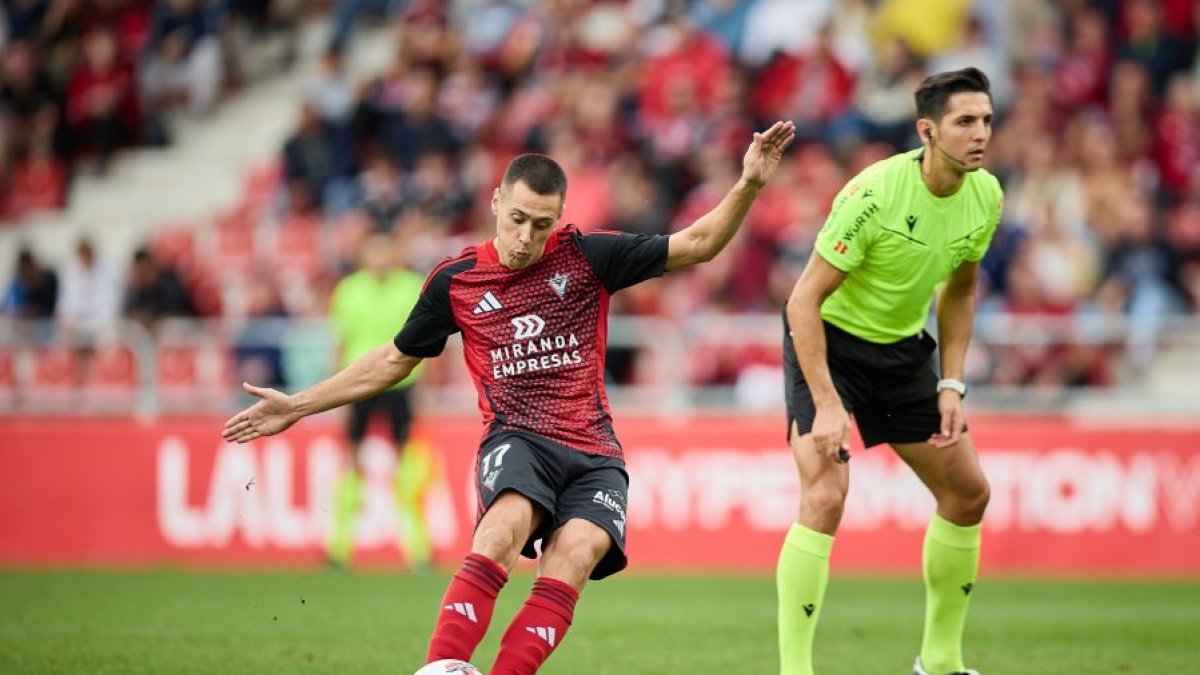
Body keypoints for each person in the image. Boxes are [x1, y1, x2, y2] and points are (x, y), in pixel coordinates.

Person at [223, 119, 795, 674]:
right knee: (502, 531)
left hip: (595, 453)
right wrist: (297, 405)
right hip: (518, 439)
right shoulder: (457, 280)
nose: (526, 237)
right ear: (496, 201)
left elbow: (699, 244)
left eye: (541, 224)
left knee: (575, 555)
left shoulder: (589, 256)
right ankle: (441, 668)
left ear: (559, 218)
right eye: (518, 218)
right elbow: (394, 360)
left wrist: (748, 183)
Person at [778, 68, 1000, 675]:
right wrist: (828, 402)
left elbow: (961, 290)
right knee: (826, 494)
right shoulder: (874, 194)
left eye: (986, 120)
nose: (980, 133)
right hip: (829, 345)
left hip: (902, 353)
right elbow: (803, 302)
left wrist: (951, 382)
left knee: (968, 494)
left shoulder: (986, 195)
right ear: (927, 131)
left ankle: (941, 663)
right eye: (965, 121)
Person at [326, 232, 431, 571]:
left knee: (406, 461)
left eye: (386, 252)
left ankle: (418, 551)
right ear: (364, 256)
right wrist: (335, 392)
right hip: (359, 382)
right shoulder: (348, 290)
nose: (381, 260)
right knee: (353, 458)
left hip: (403, 381)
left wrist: (425, 385)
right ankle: (339, 549)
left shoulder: (411, 286)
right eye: (375, 253)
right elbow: (340, 342)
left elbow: (430, 338)